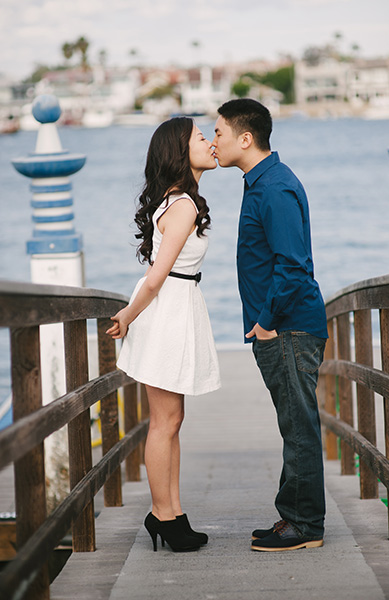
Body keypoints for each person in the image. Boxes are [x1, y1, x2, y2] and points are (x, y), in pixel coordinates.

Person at [212, 98, 328, 552]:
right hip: (283, 326)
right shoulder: (261, 182)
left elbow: (292, 266)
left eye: (218, 133)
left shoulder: (274, 188)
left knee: (299, 425)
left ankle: (305, 526)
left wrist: (264, 323)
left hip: (288, 327)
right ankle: (292, 515)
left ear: (245, 138)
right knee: (292, 424)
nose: (214, 141)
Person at [108, 117, 221, 552]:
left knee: (171, 420)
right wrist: (129, 315)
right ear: (179, 150)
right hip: (165, 308)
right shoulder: (184, 205)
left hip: (174, 305)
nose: (210, 142)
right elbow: (156, 277)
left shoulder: (179, 200)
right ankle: (162, 515)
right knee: (165, 422)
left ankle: (172, 513)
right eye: (200, 137)